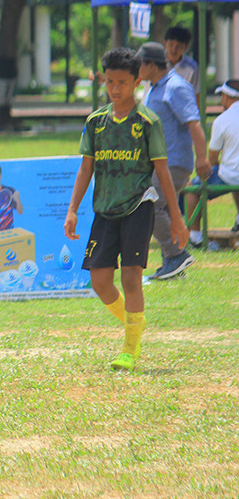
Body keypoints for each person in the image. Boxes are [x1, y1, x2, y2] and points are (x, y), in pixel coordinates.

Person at [64, 47, 187, 372]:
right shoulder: (96, 123)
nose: (115, 89)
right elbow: (86, 168)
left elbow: (162, 171)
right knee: (100, 281)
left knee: (132, 278)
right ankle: (135, 323)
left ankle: (129, 349)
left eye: (122, 82)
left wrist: (176, 217)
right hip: (104, 209)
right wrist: (72, 209)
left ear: (135, 81)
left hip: (139, 205)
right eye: (109, 82)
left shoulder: (148, 122)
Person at [138, 41, 209, 279]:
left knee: (149, 204)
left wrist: (202, 158)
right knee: (154, 205)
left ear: (151, 64)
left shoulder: (176, 86)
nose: (137, 68)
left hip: (175, 162)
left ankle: (176, 255)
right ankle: (172, 263)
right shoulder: (156, 87)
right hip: (161, 162)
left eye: (140, 64)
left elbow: (194, 122)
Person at [186, 80, 239, 241]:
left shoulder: (222, 120)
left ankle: (195, 236)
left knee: (192, 189)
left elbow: (212, 159)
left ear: (227, 97)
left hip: (230, 174)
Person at [164, 25, 200, 99]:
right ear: (165, 43)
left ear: (186, 47)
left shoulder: (192, 68)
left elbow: (196, 94)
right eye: (171, 45)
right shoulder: (155, 62)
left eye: (179, 46)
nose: (174, 50)